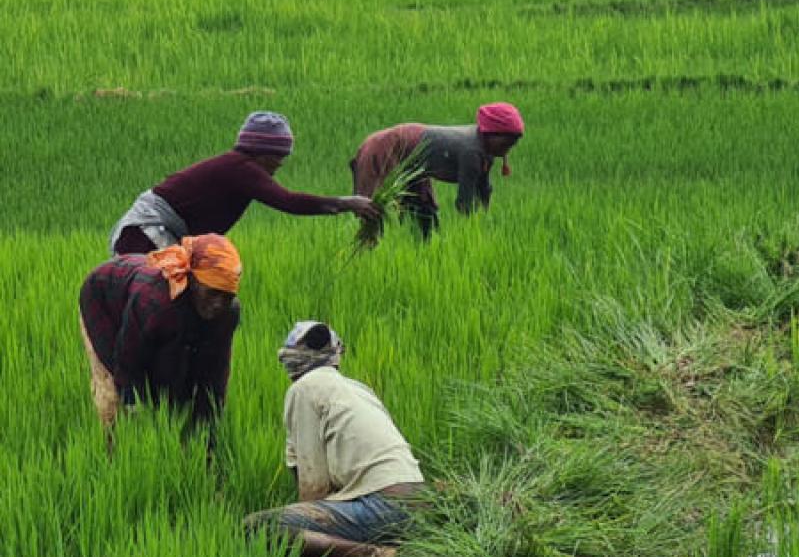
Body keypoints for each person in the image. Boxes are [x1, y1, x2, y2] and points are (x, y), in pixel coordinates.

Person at [245, 320, 425, 557]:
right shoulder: (358, 388)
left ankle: (371, 556)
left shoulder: (305, 388)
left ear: (290, 360)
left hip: (383, 508)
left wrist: (306, 528)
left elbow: (313, 485)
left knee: (260, 526)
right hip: (418, 502)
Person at [110, 111, 380, 255]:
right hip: (145, 232)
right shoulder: (240, 168)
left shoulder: (241, 169)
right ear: (262, 153)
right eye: (278, 158)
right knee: (171, 295)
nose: (279, 166)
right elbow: (289, 202)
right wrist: (345, 203)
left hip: (161, 231)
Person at [79, 233, 242, 437]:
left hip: (157, 312)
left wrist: (209, 431)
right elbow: (128, 360)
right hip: (103, 300)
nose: (218, 304)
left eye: (227, 296)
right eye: (212, 293)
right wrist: (136, 410)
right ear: (191, 281)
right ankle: (111, 448)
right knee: (114, 394)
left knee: (179, 387)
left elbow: (215, 374)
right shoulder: (155, 303)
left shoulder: (228, 313)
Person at [350, 102, 524, 239]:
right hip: (389, 147)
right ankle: (369, 249)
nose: (509, 148)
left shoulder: (486, 151)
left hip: (416, 161)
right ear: (490, 133)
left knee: (423, 211)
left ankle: (421, 250)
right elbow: (465, 202)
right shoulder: (472, 152)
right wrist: (472, 233)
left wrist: (485, 220)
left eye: (513, 144)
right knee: (372, 209)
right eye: (507, 142)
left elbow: (484, 188)